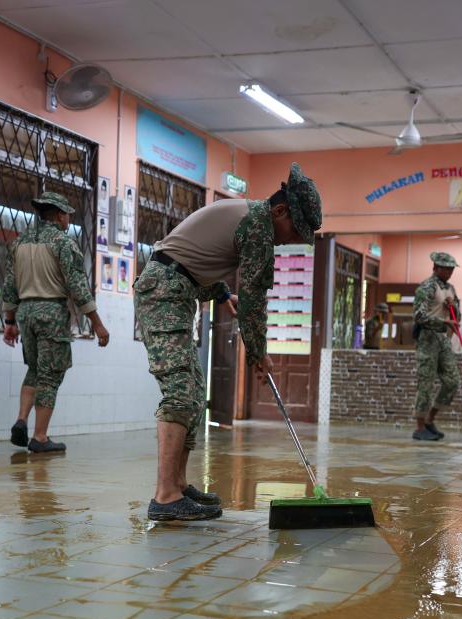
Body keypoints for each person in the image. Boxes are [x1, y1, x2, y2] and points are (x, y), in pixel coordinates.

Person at [135, 162, 322, 521]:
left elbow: (201, 253)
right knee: (179, 391)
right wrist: (258, 353)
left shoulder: (248, 216)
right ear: (280, 210)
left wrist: (222, 295)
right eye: (294, 230)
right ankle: (166, 496)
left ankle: (178, 485)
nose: (291, 240)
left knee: (191, 391)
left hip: (175, 288)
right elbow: (253, 297)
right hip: (164, 292)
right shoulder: (258, 225)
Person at [2, 192, 110, 453]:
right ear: (60, 215)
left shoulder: (20, 242)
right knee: (50, 376)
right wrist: (96, 322)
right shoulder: (63, 243)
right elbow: (77, 286)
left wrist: (9, 321)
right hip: (51, 312)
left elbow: (9, 284)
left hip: (26, 312)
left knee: (35, 370)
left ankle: (21, 419)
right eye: (68, 215)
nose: (69, 219)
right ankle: (39, 438)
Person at [412, 252, 461, 442]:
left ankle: (430, 419)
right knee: (426, 383)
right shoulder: (427, 287)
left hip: (444, 339)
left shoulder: (451, 288)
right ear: (436, 267)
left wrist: (453, 308)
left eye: (451, 269)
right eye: (445, 268)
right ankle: (419, 427)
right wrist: (443, 323)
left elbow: (457, 318)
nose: (449, 272)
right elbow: (419, 316)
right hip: (428, 339)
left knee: (452, 381)